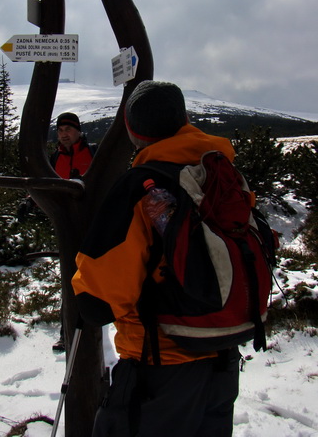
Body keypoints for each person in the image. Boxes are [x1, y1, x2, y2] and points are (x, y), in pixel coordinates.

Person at [72, 81, 240, 437]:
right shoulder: (223, 174)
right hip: (223, 361)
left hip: (160, 369)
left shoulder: (141, 186)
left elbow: (98, 303)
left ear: (132, 131)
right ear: (185, 119)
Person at [51, 112, 97, 352]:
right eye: (60, 131)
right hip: (65, 226)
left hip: (92, 226)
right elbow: (45, 183)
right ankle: (66, 333)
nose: (63, 134)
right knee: (69, 278)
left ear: (78, 131)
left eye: (68, 130)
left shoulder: (92, 152)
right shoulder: (55, 156)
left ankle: (96, 326)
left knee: (92, 278)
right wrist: (30, 201)